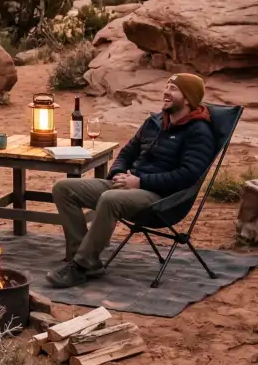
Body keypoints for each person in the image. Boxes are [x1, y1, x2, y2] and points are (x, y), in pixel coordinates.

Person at [45, 73, 217, 288]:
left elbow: (187, 176)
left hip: (161, 198)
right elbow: (127, 152)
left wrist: (140, 182)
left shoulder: (199, 131)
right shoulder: (154, 122)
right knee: (64, 188)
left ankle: (81, 266)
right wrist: (117, 172)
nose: (166, 92)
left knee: (109, 199)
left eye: (173, 89)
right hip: (127, 184)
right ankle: (84, 258)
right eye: (166, 86)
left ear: (189, 98)